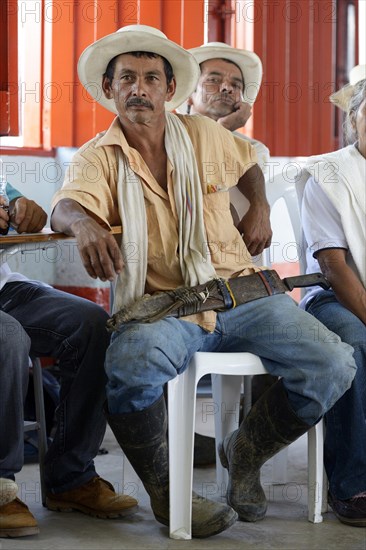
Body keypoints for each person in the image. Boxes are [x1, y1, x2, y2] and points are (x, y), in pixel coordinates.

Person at [50, 25, 356, 538]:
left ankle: (245, 451)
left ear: (170, 90)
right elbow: (65, 204)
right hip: (169, 305)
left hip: (245, 293)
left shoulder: (204, 134)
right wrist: (82, 223)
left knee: (334, 362)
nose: (139, 89)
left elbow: (249, 160)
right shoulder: (96, 158)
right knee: (128, 362)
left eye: (151, 78)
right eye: (127, 78)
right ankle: (171, 494)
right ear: (110, 89)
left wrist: (258, 204)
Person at [0, 183, 138, 538]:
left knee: (92, 326)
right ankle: (1, 487)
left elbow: (28, 211)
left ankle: (71, 477)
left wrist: (23, 209)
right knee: (8, 337)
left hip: (4, 288)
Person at [179, 42, 275, 465]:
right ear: (188, 93)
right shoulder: (165, 135)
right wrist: (223, 131)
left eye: (235, 84)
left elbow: (245, 231)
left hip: (236, 283)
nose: (227, 89)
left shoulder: (254, 153)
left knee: (310, 343)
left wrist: (262, 205)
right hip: (177, 283)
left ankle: (244, 448)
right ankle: (174, 437)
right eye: (214, 80)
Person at [298, 72, 366, 527]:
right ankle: (352, 483)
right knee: (355, 342)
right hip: (335, 297)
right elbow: (334, 267)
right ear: (355, 119)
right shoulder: (328, 173)